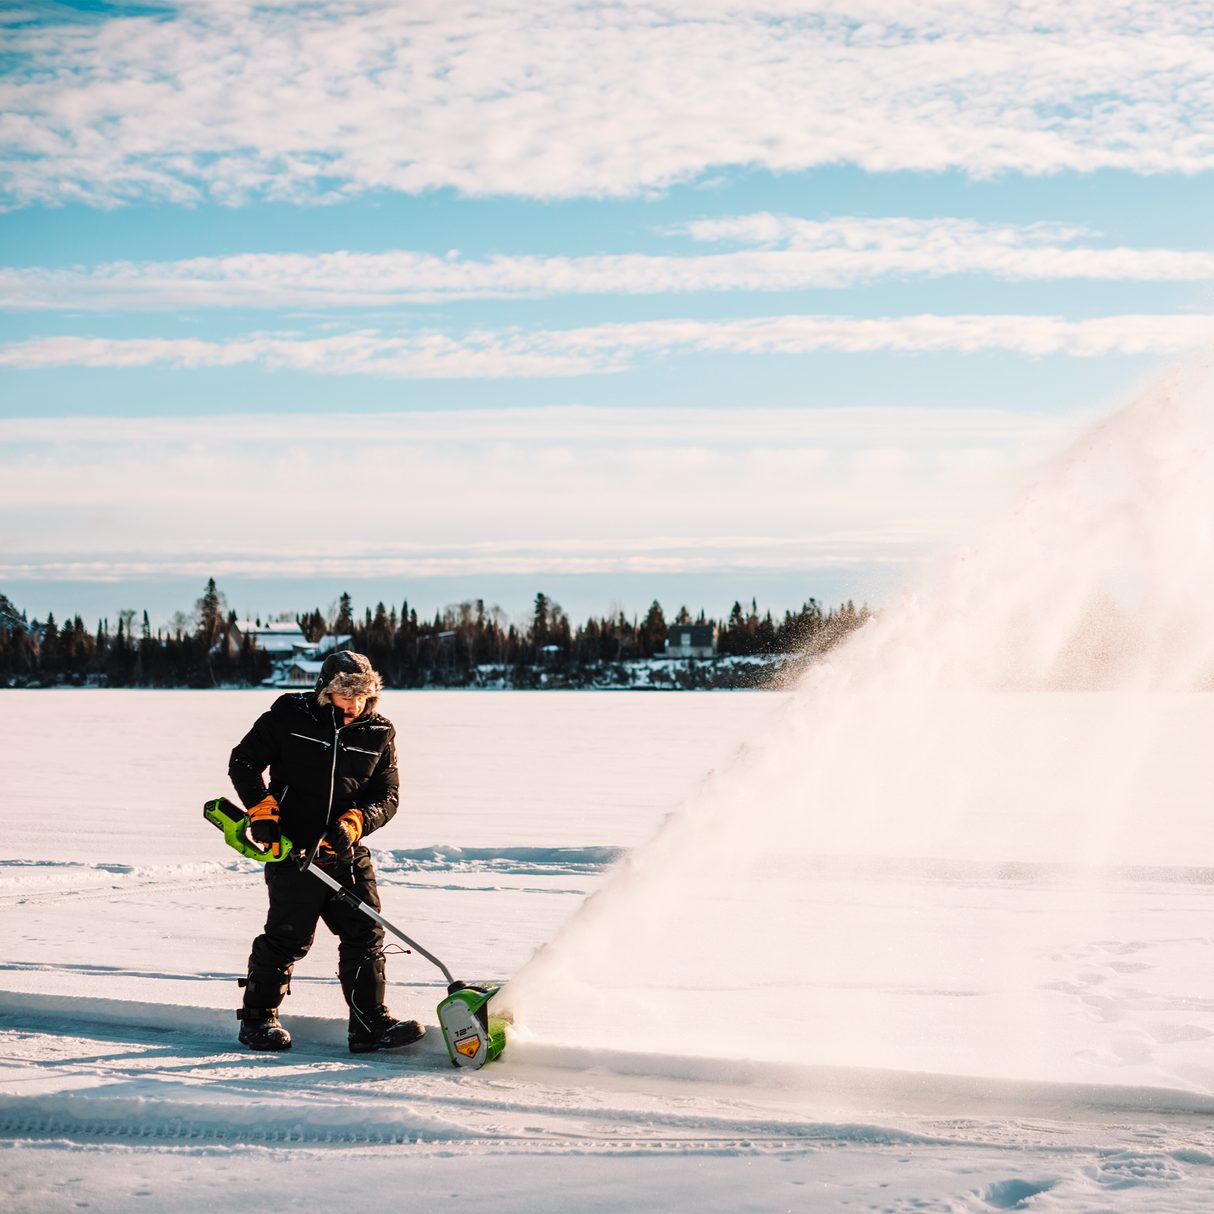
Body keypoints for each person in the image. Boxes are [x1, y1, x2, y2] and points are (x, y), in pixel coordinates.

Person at [227, 650, 424, 1054]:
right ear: (325, 691)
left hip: (345, 852)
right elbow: (243, 760)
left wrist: (357, 822)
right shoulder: (289, 713)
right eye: (345, 695)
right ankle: (258, 1019)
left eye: (363, 697)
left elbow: (387, 795)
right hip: (292, 851)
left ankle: (369, 1027)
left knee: (365, 933)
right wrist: (262, 808)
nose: (354, 705)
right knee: (288, 938)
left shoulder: (379, 731)